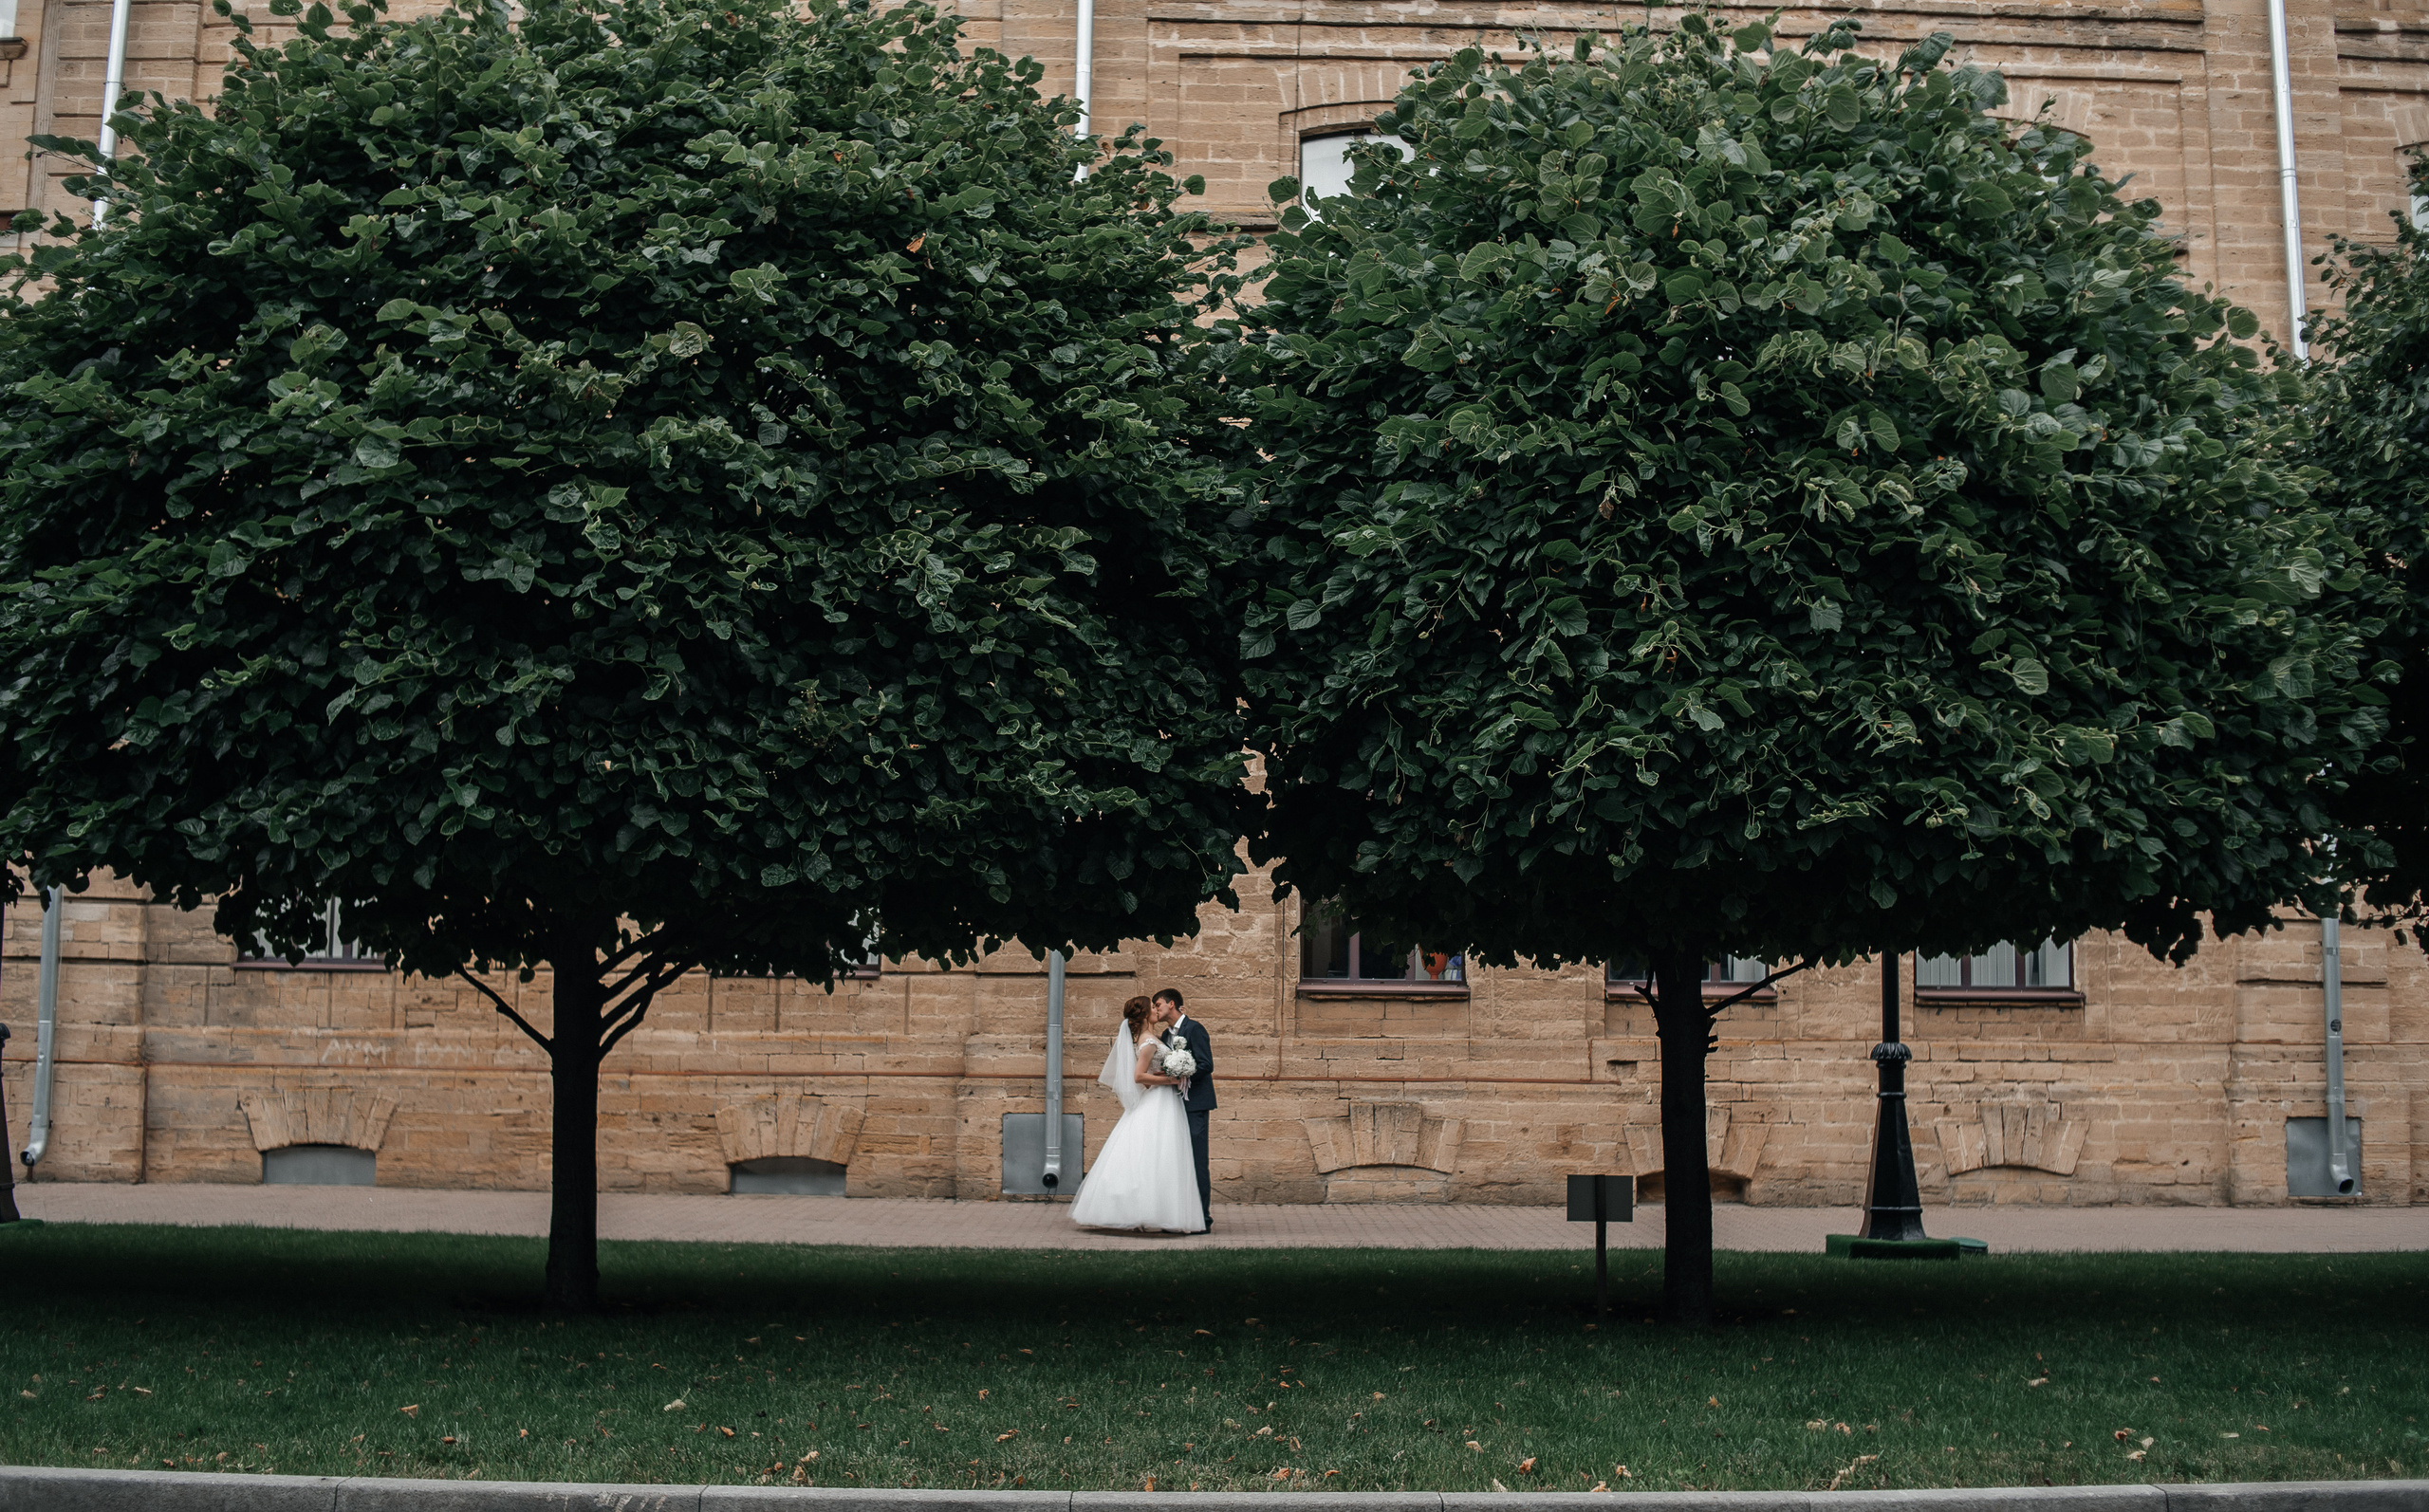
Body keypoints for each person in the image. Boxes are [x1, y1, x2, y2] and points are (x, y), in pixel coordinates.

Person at [1067, 996, 1205, 1233]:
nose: (1156, 1010)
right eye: (1152, 1007)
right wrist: (1171, 1078)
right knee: (1154, 1156)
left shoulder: (1153, 1038)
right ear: (1143, 1015)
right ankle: (1144, 1212)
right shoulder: (1149, 1041)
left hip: (1162, 1100)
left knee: (1157, 1157)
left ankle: (1153, 1212)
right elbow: (1138, 1076)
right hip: (1158, 1101)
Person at [1154, 987, 1215, 1230]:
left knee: (1197, 1161)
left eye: (1157, 1004)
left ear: (1171, 1004)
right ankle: (1179, 1215)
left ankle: (1203, 1218)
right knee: (1176, 1161)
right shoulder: (1165, 1035)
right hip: (1173, 1105)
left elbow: (1206, 1064)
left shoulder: (1194, 1029)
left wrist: (1180, 1073)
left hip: (1195, 1105)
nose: (1155, 1008)